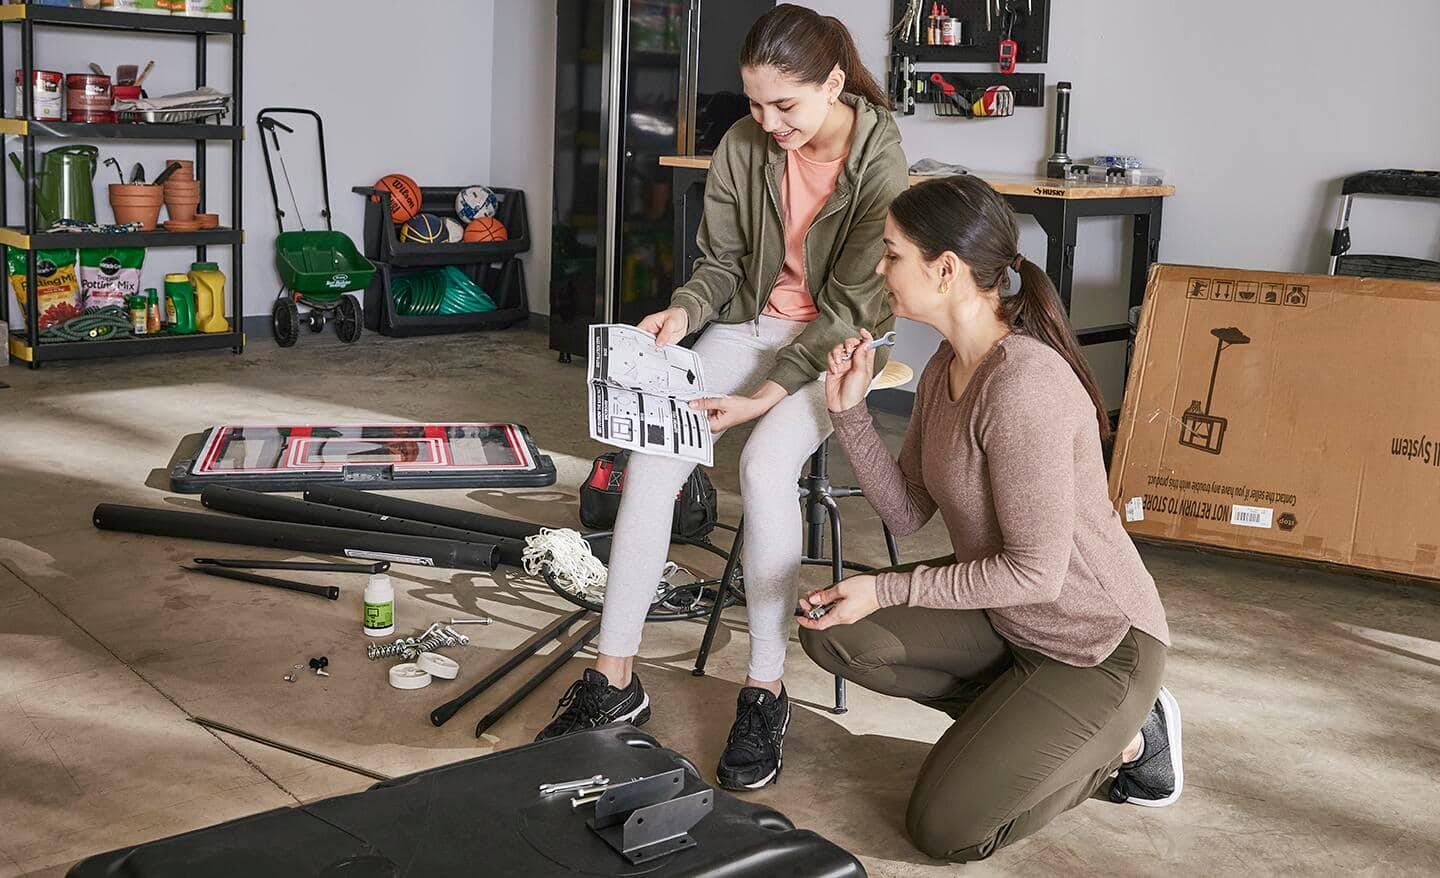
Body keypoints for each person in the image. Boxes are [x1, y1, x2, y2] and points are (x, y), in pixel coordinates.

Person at [535, 4, 910, 792]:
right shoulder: (745, 145)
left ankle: (765, 691)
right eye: (755, 104)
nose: (768, 123)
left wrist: (766, 396)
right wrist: (685, 311)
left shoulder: (881, 157)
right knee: (654, 455)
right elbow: (722, 265)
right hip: (749, 325)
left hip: (838, 346)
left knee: (769, 471)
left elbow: (848, 307)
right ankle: (615, 679)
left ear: (835, 83)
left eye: (787, 106)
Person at [797, 174, 1183, 861]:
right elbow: (910, 512)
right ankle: (1030, 723)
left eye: (892, 255)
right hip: (1009, 616)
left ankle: (1130, 741)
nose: (880, 269)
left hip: (1095, 643)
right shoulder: (949, 363)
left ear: (944, 271)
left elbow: (1037, 572)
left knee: (947, 831)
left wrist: (886, 588)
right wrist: (850, 412)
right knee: (835, 635)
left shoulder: (1024, 386)